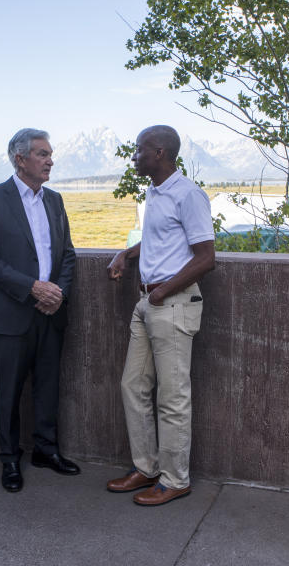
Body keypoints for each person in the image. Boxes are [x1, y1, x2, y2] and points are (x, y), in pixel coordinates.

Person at [106, 124, 215, 506]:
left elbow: (206, 257)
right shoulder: (155, 192)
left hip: (172, 303)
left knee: (172, 397)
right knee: (132, 385)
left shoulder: (188, 195)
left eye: (139, 150)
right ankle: (147, 467)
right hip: (148, 303)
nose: (133, 156)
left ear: (159, 154)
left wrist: (165, 290)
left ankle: (175, 479)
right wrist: (125, 254)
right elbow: (157, 239)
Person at [0, 128, 79, 493]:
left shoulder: (55, 200)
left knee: (48, 385)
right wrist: (32, 288)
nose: (50, 160)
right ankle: (9, 459)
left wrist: (58, 293)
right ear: (20, 159)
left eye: (50, 154)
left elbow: (67, 254)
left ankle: (46, 451)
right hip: (12, 312)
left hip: (51, 311)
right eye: (42, 154)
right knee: (9, 390)